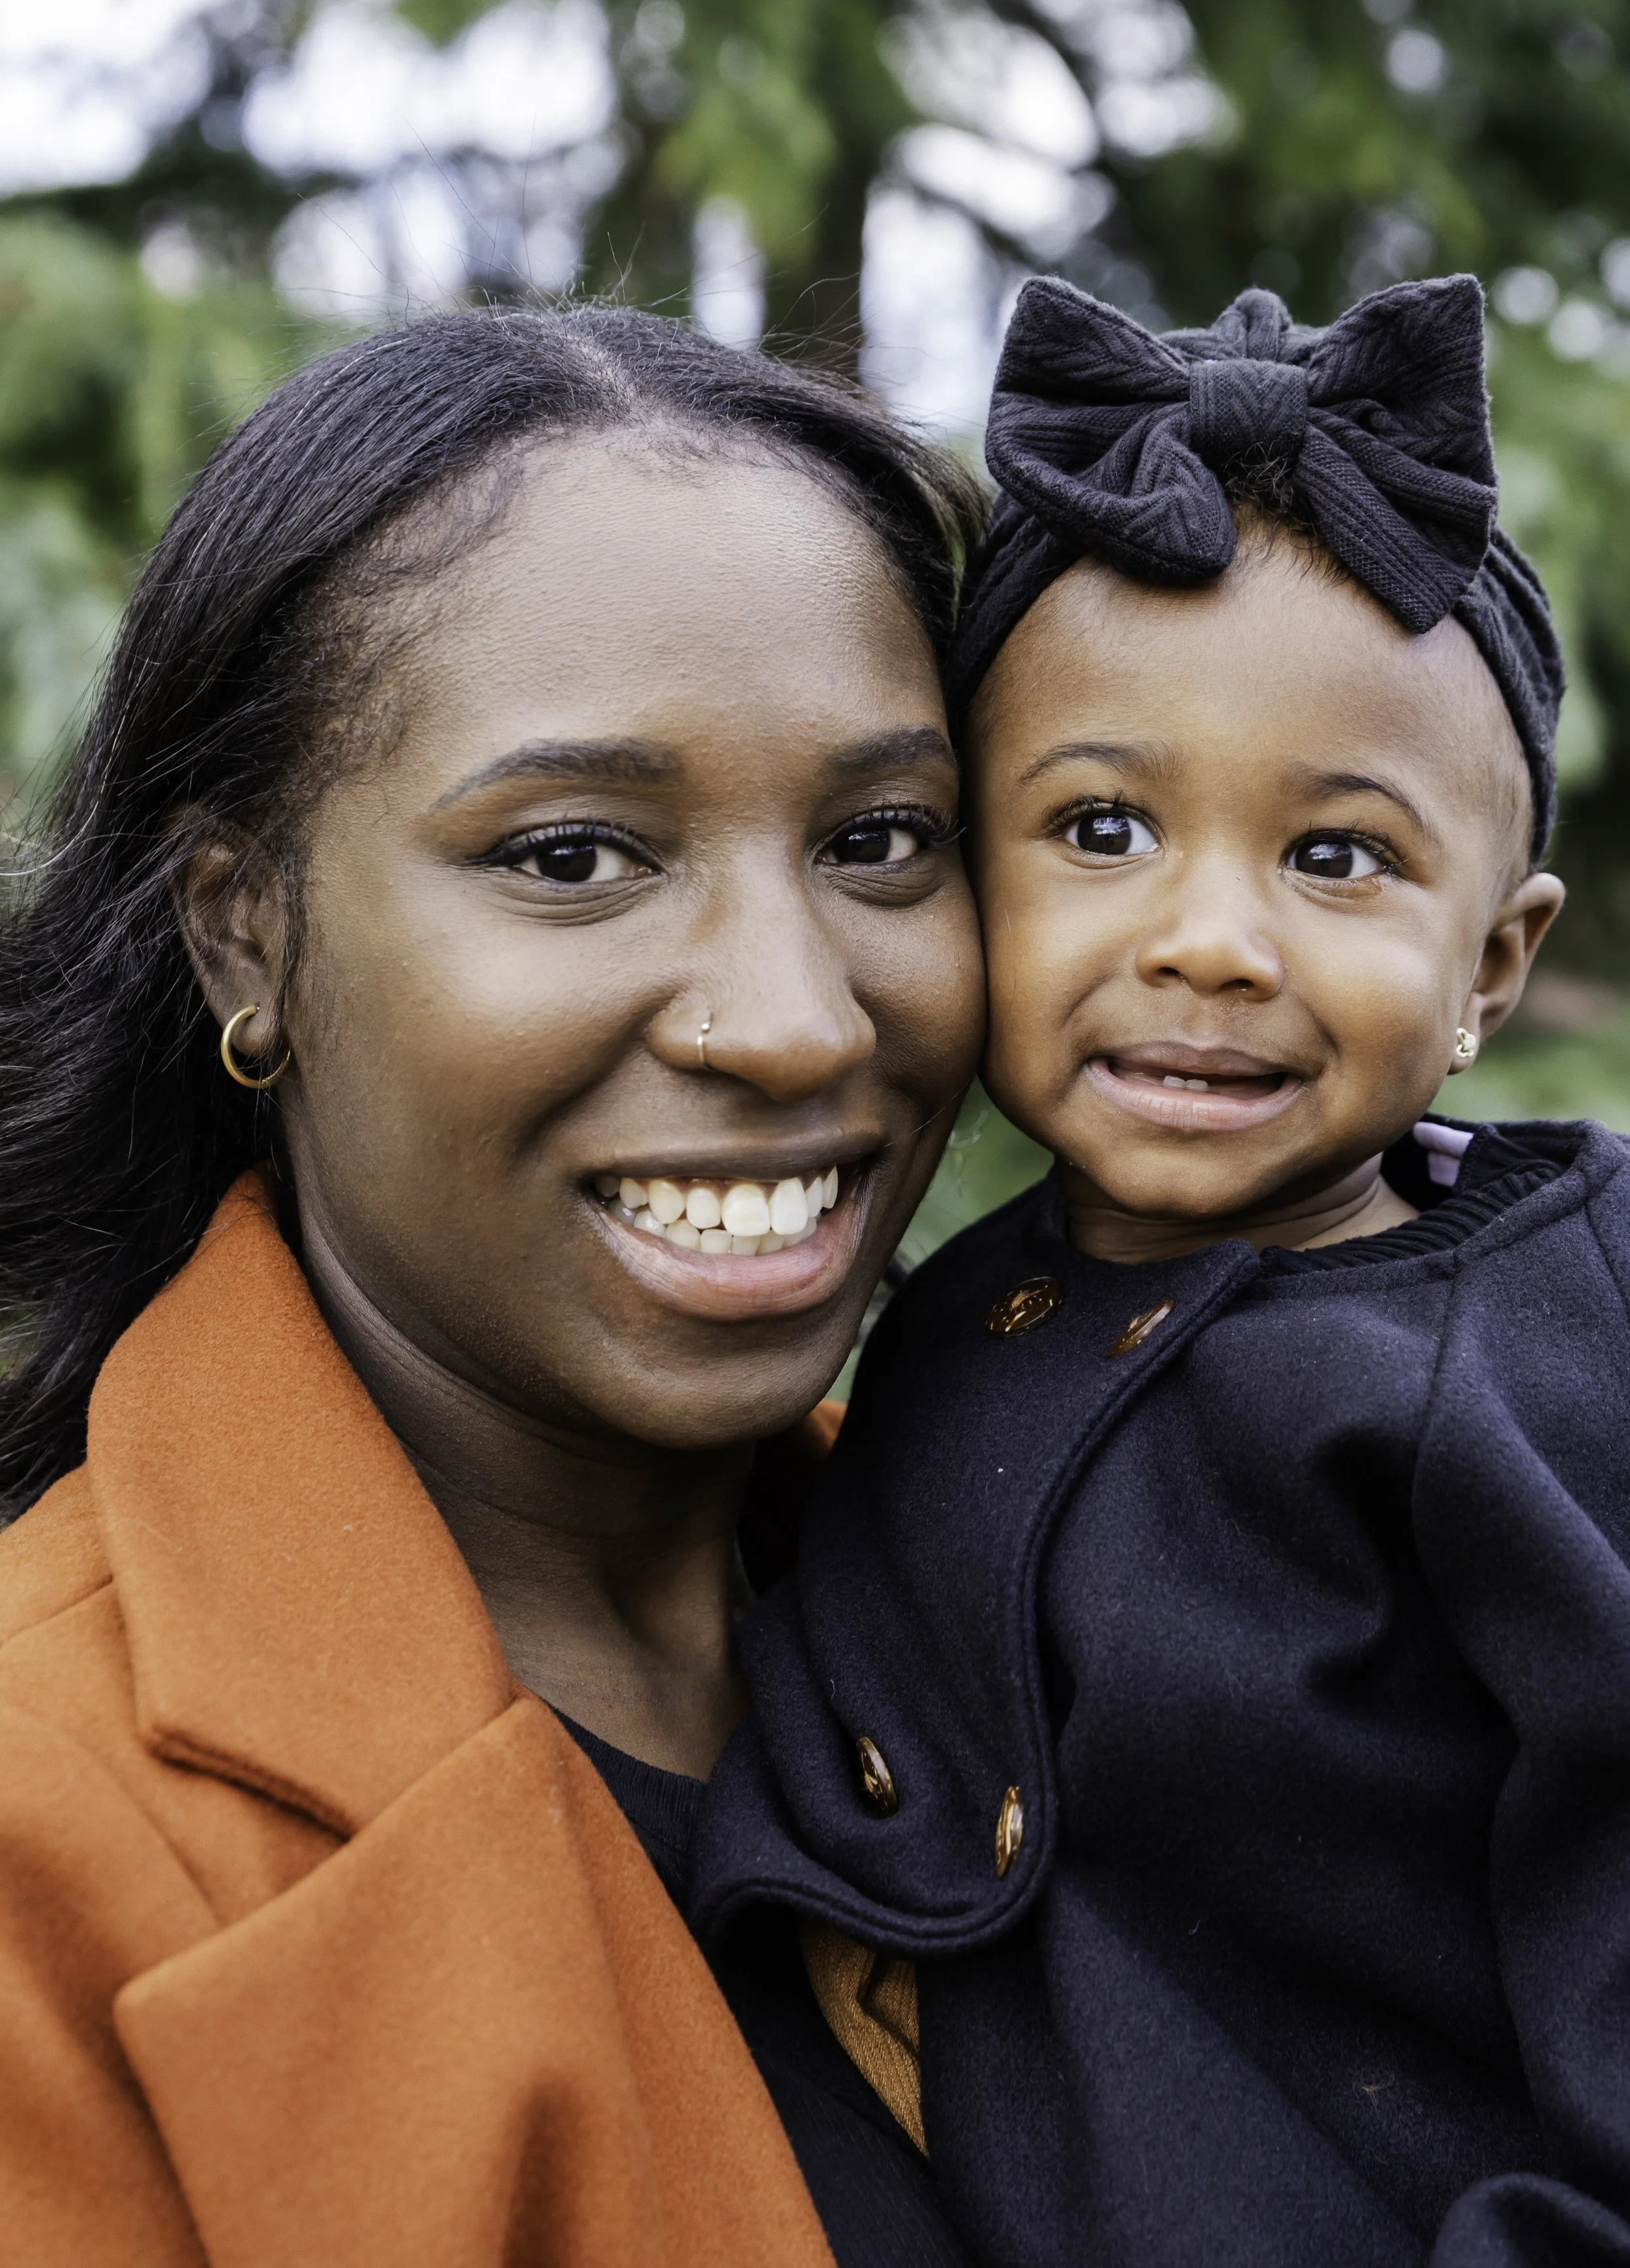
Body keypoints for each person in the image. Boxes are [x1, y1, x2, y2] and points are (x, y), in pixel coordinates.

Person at [0, 303, 987, 2265]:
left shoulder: (1065, 1600)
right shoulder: (50, 1827)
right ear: (243, 942)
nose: (793, 1020)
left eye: (881, 840)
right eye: (572, 855)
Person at [691, 274, 1630, 2267]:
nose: (1209, 937)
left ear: (1489, 965)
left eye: (1338, 856)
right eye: (1099, 825)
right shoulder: (937, 1310)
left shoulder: (1540, 1355)